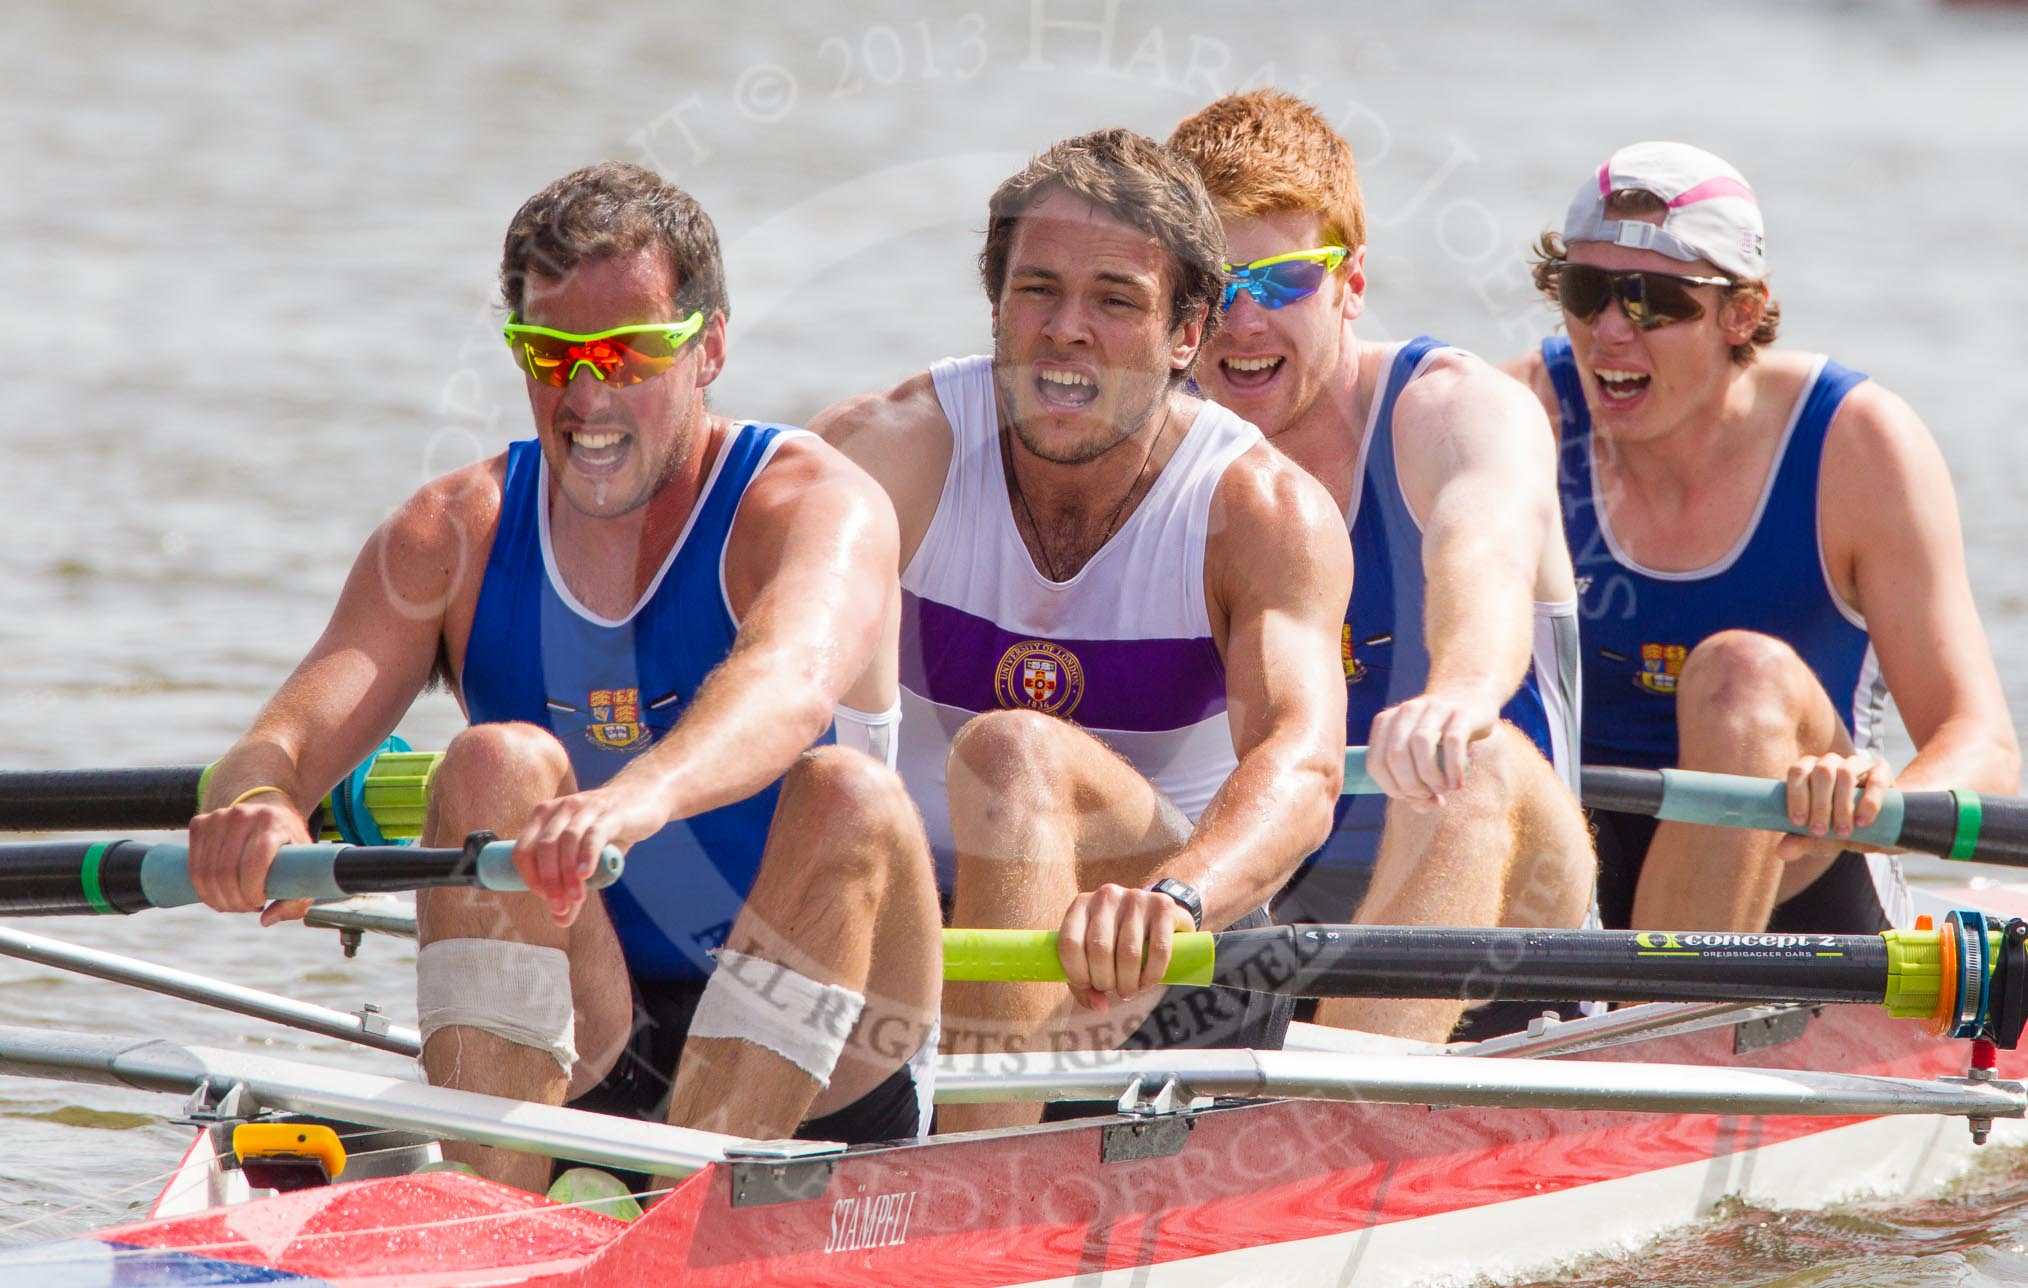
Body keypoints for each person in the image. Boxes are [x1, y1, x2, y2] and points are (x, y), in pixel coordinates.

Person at [185, 162, 942, 1192]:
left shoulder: (815, 504)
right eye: (551, 353)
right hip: (593, 1016)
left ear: (711, 346)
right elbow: (277, 744)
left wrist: (634, 798)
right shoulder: (453, 532)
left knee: (848, 792)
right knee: (491, 762)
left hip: (830, 1040)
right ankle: (492, 1210)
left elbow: (787, 685)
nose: (586, 395)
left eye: (627, 353)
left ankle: (683, 1211)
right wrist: (258, 807)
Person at [814, 128, 1351, 1130]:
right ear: (996, 307)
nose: (1066, 330)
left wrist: (1177, 898)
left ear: (1187, 335)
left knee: (1014, 752)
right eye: (1038, 291)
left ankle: (969, 1182)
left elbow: (1304, 765)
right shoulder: (885, 451)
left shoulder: (1260, 511)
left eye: (1114, 300)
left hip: (1171, 960)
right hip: (924, 940)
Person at [1167, 90, 1596, 1044]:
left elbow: (1483, 549)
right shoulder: (1143, 448)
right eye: (1215, 287)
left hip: (1512, 915)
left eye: (1284, 281)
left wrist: (1461, 691)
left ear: (1351, 282)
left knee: (1467, 761)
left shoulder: (1453, 411)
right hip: (1259, 908)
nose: (1244, 322)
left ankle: (1342, 1118)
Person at [1504, 140, 2019, 933]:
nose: (1608, 330)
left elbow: (1983, 746)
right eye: (1585, 290)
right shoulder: (1512, 418)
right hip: (1564, 870)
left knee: (1742, 676)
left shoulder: (1858, 446)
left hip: (1796, 869)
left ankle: (1651, 1003)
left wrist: (1875, 799)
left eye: (1652, 301)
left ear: (1742, 313)